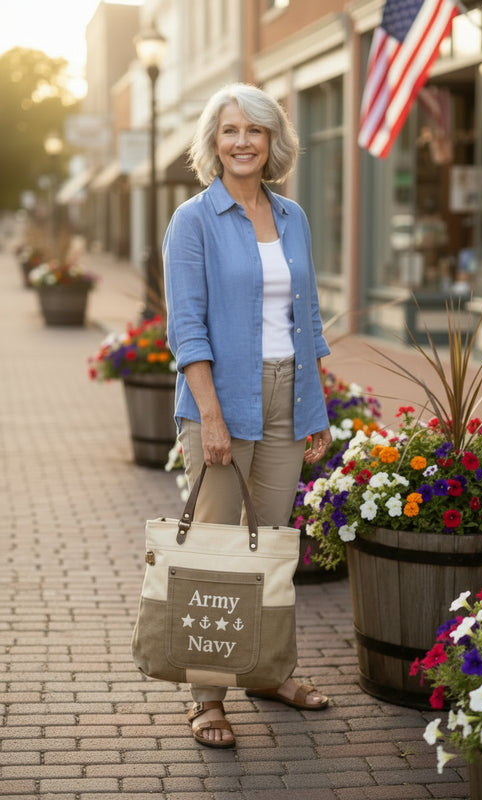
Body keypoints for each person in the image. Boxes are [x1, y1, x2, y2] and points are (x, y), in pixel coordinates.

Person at [163, 82, 332, 749]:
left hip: (288, 395)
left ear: (271, 142)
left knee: (271, 542)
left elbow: (307, 318)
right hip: (220, 400)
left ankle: (268, 672)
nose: (242, 141)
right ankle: (206, 696)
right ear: (213, 141)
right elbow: (187, 326)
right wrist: (208, 416)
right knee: (215, 548)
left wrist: (315, 404)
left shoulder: (291, 217)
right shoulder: (193, 219)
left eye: (254, 130)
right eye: (230, 130)